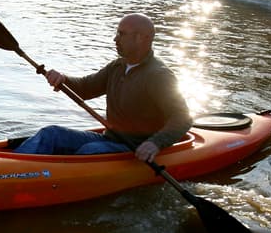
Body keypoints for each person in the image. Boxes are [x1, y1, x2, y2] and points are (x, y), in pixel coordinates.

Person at [13, 13, 191, 162]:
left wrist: (155, 143)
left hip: (134, 148)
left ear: (142, 38)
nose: (115, 39)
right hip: (109, 138)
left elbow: (182, 118)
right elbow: (85, 88)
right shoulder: (117, 66)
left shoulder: (159, 75)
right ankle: (10, 168)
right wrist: (63, 79)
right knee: (51, 134)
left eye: (121, 34)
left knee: (90, 150)